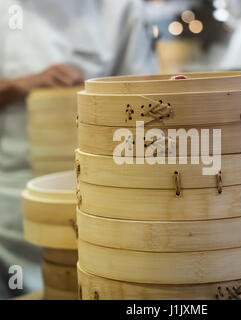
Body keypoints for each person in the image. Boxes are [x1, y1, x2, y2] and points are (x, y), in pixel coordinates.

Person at [0, 0, 157, 299]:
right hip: (9, 194)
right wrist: (18, 85)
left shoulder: (120, 8)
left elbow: (146, 101)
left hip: (103, 194)